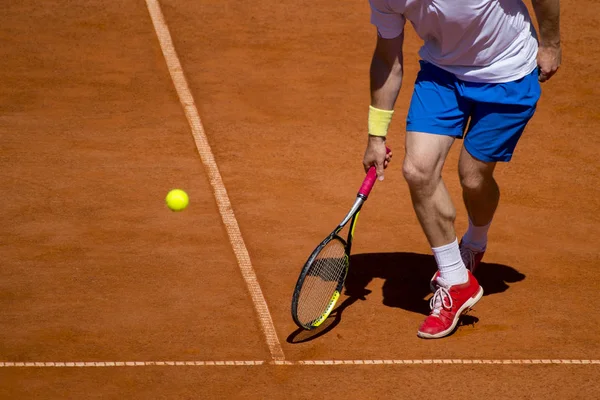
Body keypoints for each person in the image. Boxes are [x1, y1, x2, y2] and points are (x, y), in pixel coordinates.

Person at [362, 0, 561, 339]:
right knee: (417, 170)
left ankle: (476, 241)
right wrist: (376, 134)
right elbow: (387, 57)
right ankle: (456, 280)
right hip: (442, 76)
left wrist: (550, 43)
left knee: (473, 176)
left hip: (508, 73)